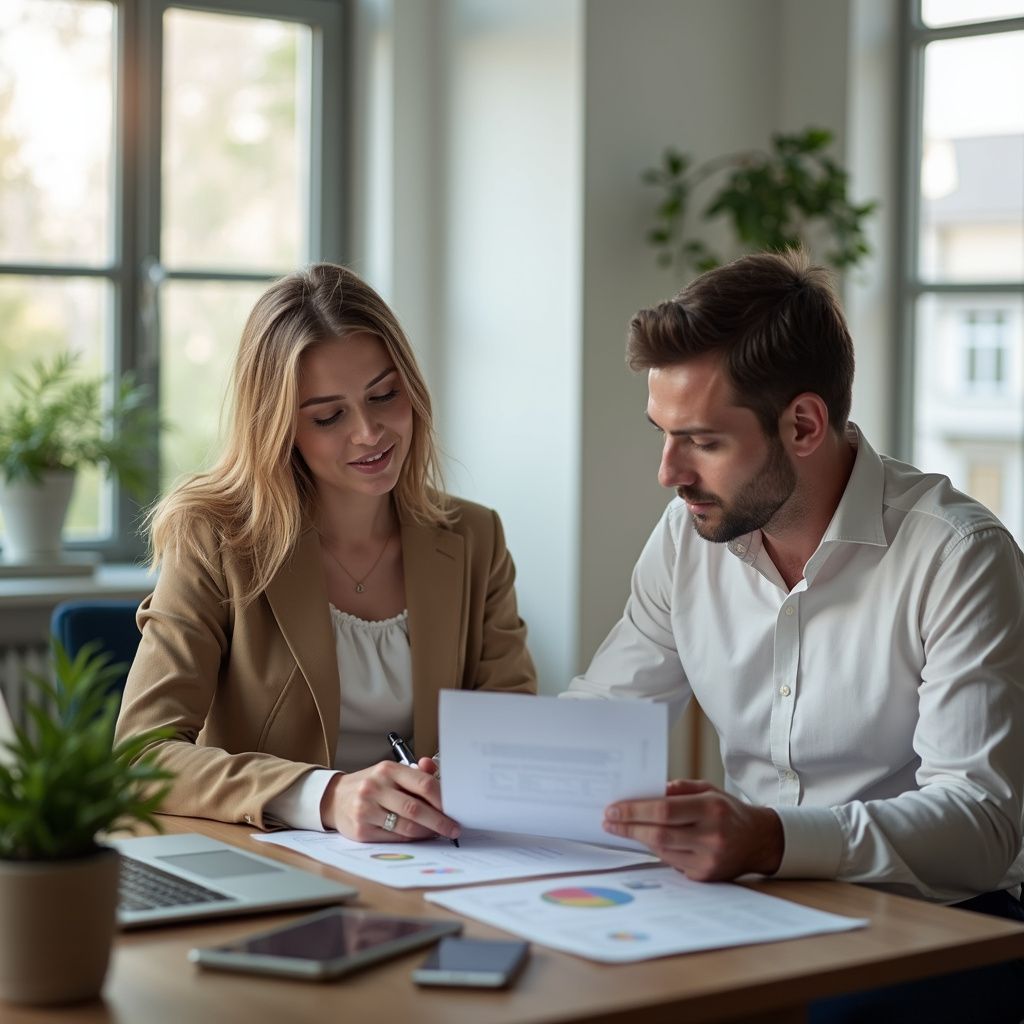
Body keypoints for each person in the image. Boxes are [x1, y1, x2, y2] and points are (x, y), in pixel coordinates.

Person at [564, 250, 1024, 1020]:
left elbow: (979, 822)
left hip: (944, 917)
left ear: (803, 424)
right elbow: (606, 716)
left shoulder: (958, 556)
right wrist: (476, 782)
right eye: (663, 434)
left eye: (702, 441)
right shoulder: (687, 537)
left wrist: (773, 840)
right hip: (750, 904)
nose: (668, 473)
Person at [115, 263, 536, 843]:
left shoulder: (474, 536)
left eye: (385, 395)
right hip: (272, 862)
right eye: (329, 415)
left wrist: (467, 780)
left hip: (437, 860)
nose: (370, 432)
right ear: (279, 427)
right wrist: (327, 795)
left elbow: (512, 735)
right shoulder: (214, 537)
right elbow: (141, 757)